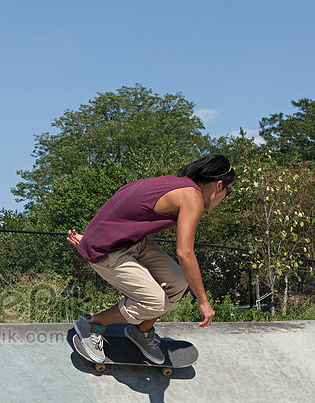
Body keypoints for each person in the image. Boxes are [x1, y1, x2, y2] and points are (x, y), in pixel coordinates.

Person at [67, 154, 235, 364]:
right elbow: (185, 252)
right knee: (155, 301)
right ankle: (92, 324)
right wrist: (204, 302)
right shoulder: (193, 197)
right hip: (108, 251)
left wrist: (92, 234)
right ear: (219, 185)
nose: (224, 199)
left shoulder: (176, 184)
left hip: (131, 242)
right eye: (228, 192)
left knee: (178, 283)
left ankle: (141, 331)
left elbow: (123, 201)